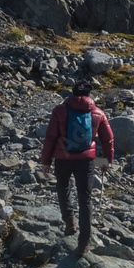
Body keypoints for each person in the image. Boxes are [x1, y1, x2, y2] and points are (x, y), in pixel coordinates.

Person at [40, 81, 114, 257]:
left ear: (72, 93)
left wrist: (46, 161)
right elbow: (108, 139)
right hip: (86, 161)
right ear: (89, 95)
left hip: (62, 158)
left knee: (63, 187)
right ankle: (84, 243)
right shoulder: (98, 113)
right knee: (85, 199)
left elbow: (50, 137)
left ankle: (70, 222)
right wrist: (105, 161)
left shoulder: (60, 110)